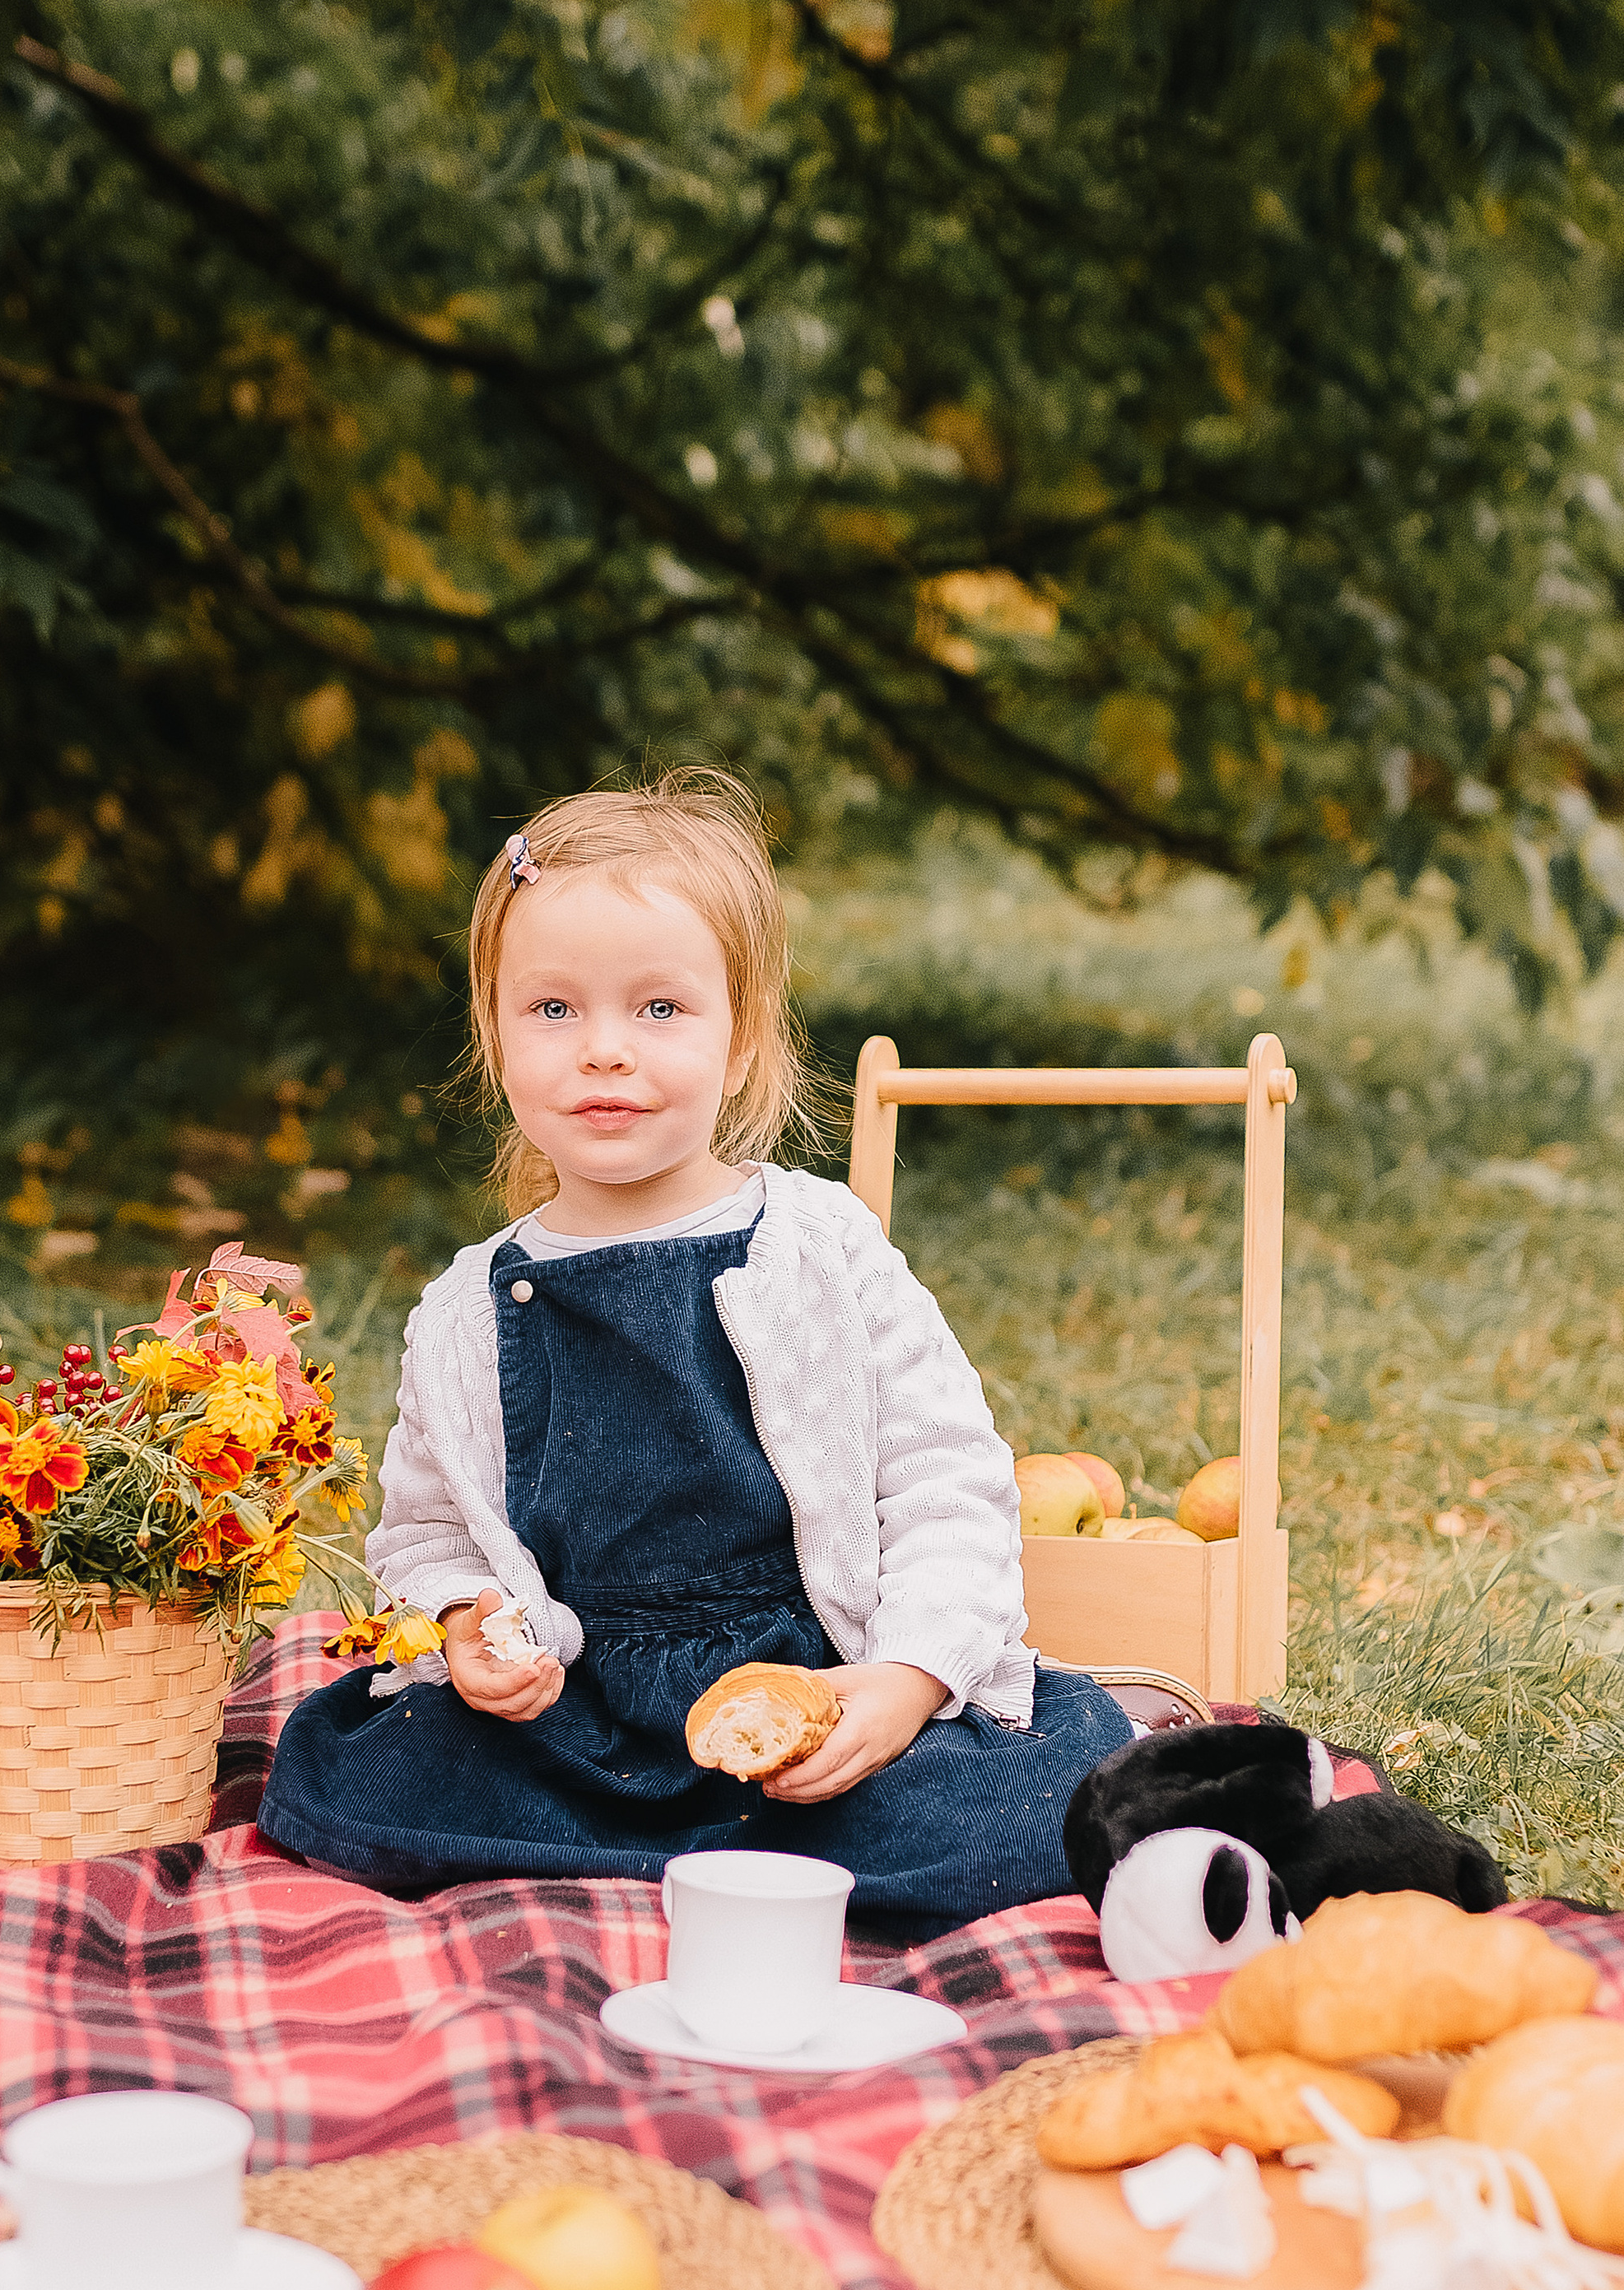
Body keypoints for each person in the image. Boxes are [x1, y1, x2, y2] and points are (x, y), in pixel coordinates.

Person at [258, 773, 1131, 1937]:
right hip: (580, 1718)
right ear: (495, 1030)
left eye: (660, 1010)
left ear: (741, 1041)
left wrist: (904, 1680)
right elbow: (426, 1535)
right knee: (352, 1778)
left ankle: (739, 1840)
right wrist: (471, 1625)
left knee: (1043, 1792)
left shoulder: (819, 1247)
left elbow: (943, 1486)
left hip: (804, 1690)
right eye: (554, 1010)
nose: (604, 1052)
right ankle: (665, 1853)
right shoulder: (467, 1307)